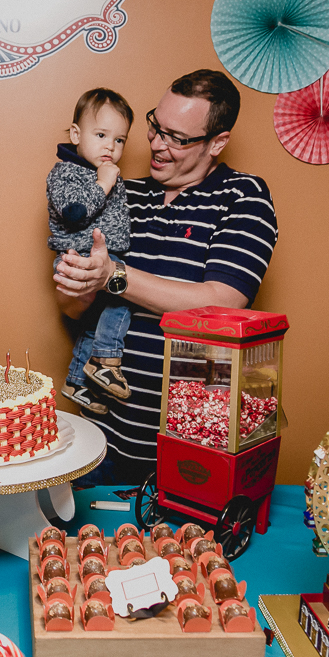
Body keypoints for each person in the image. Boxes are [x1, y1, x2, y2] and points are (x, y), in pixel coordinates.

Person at [54, 69, 278, 485]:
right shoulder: (123, 193)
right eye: (156, 126)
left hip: (191, 448)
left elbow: (224, 301)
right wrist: (80, 282)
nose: (156, 144)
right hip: (103, 441)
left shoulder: (243, 196)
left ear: (217, 143)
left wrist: (112, 276)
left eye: (177, 138)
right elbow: (72, 310)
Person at [47, 88, 134, 416]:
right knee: (122, 300)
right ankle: (105, 360)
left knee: (96, 318)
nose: (111, 146)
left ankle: (76, 382)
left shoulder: (105, 170)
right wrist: (104, 183)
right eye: (101, 135)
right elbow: (74, 213)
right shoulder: (65, 172)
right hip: (79, 257)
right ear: (76, 135)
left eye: (120, 140)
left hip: (103, 259)